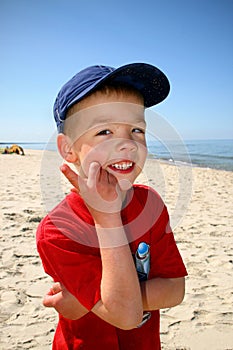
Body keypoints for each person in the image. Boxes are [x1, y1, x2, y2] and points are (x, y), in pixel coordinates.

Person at [36, 63, 187, 349]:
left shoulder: (150, 205)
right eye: (104, 130)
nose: (127, 143)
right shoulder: (58, 230)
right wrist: (107, 217)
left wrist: (88, 300)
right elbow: (126, 315)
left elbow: (175, 289)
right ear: (68, 149)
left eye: (136, 130)